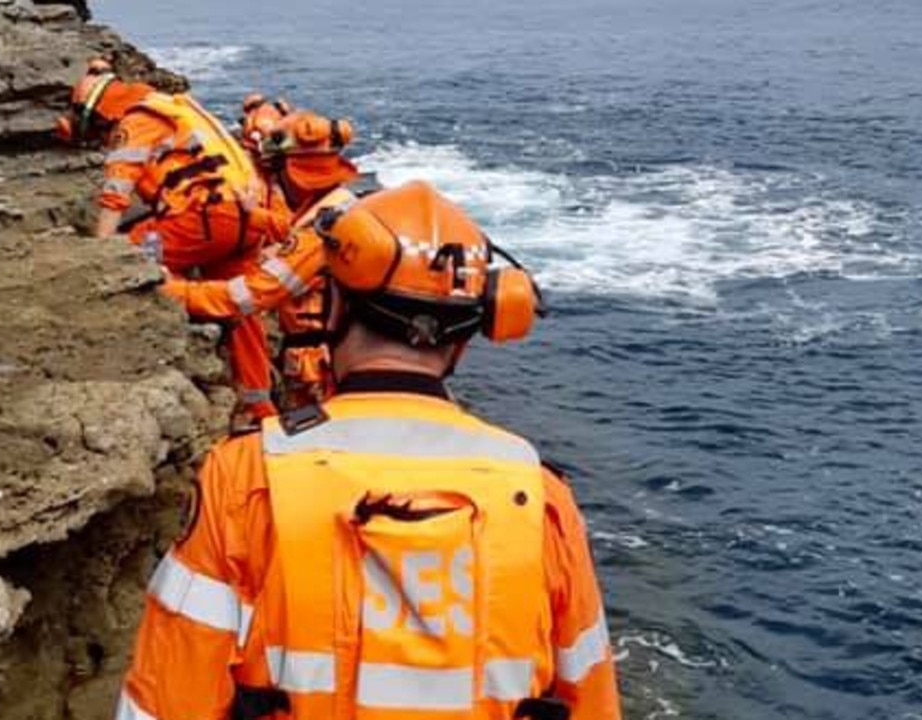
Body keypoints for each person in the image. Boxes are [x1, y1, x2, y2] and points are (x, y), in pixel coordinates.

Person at [115, 180, 622, 720]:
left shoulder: (244, 475)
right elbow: (590, 696)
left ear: (332, 308)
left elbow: (168, 696)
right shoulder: (543, 500)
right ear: (470, 336)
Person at [56, 59, 291, 419]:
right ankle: (260, 405)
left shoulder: (136, 120)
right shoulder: (175, 106)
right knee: (242, 306)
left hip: (206, 219)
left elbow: (118, 186)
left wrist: (103, 250)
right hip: (246, 220)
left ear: (100, 113)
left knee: (133, 258)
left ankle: (178, 304)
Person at [162, 109, 369, 407]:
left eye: (272, 171)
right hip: (326, 358)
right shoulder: (335, 207)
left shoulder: (321, 229)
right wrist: (254, 215)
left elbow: (251, 295)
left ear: (293, 169)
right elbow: (291, 229)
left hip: (321, 370)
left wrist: (172, 289)